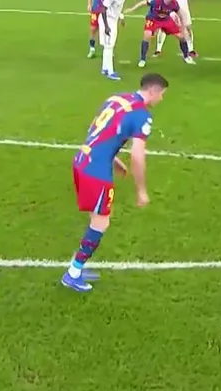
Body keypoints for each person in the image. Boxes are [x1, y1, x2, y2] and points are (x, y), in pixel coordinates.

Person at [62, 73, 169, 292]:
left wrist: (114, 159)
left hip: (82, 159)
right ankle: (73, 272)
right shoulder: (142, 115)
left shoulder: (117, 98)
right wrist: (141, 190)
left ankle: (78, 265)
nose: (161, 99)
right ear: (153, 91)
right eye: (162, 94)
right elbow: (138, 156)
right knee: (101, 222)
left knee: (96, 216)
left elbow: (97, 131)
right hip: (96, 171)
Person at [127, 0, 194, 67]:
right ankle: (142, 59)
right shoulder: (156, 0)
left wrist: (183, 28)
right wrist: (132, 9)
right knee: (147, 34)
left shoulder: (174, 3)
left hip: (166, 20)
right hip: (153, 19)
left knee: (181, 36)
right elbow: (143, 2)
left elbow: (181, 15)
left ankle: (186, 57)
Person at [98, 0, 132, 80]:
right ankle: (110, 71)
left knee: (108, 45)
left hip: (114, 20)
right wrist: (106, 26)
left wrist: (121, 17)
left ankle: (104, 68)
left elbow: (119, 7)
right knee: (109, 46)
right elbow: (103, 8)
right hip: (107, 20)